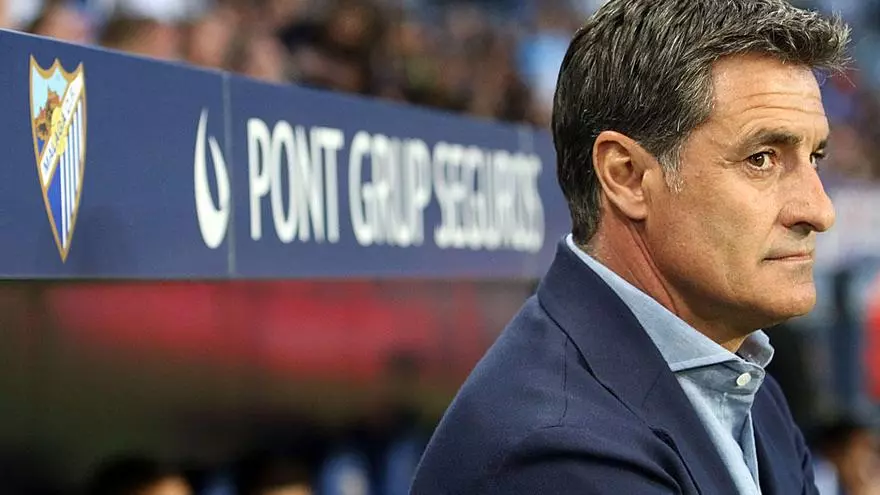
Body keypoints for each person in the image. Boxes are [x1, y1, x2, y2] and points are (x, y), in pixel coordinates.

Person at [410, 0, 850, 494]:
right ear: (627, 177)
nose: (819, 210)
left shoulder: (749, 386)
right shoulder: (556, 448)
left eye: (815, 157)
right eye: (761, 159)